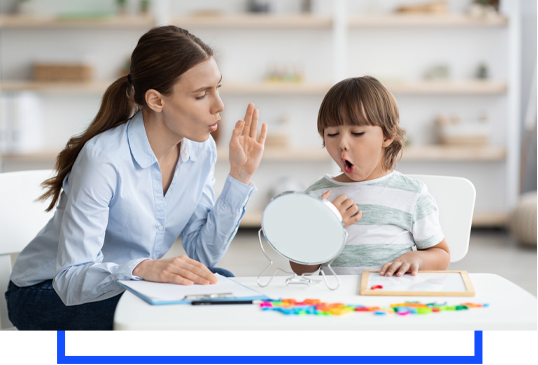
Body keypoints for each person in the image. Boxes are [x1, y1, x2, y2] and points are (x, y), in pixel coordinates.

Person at [6, 26, 267, 332]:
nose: (219, 105)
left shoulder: (202, 150)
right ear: (156, 100)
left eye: (217, 88)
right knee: (167, 315)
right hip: (45, 293)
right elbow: (71, 280)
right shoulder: (103, 159)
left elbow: (203, 254)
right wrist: (144, 269)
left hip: (123, 284)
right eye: (201, 95)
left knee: (220, 280)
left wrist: (240, 176)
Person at [290, 76, 450, 277]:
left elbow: (441, 255)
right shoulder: (317, 195)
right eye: (331, 134)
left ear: (387, 136)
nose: (342, 143)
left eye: (356, 132)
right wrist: (324, 230)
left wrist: (417, 258)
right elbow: (299, 269)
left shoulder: (412, 194)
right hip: (335, 304)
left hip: (390, 302)